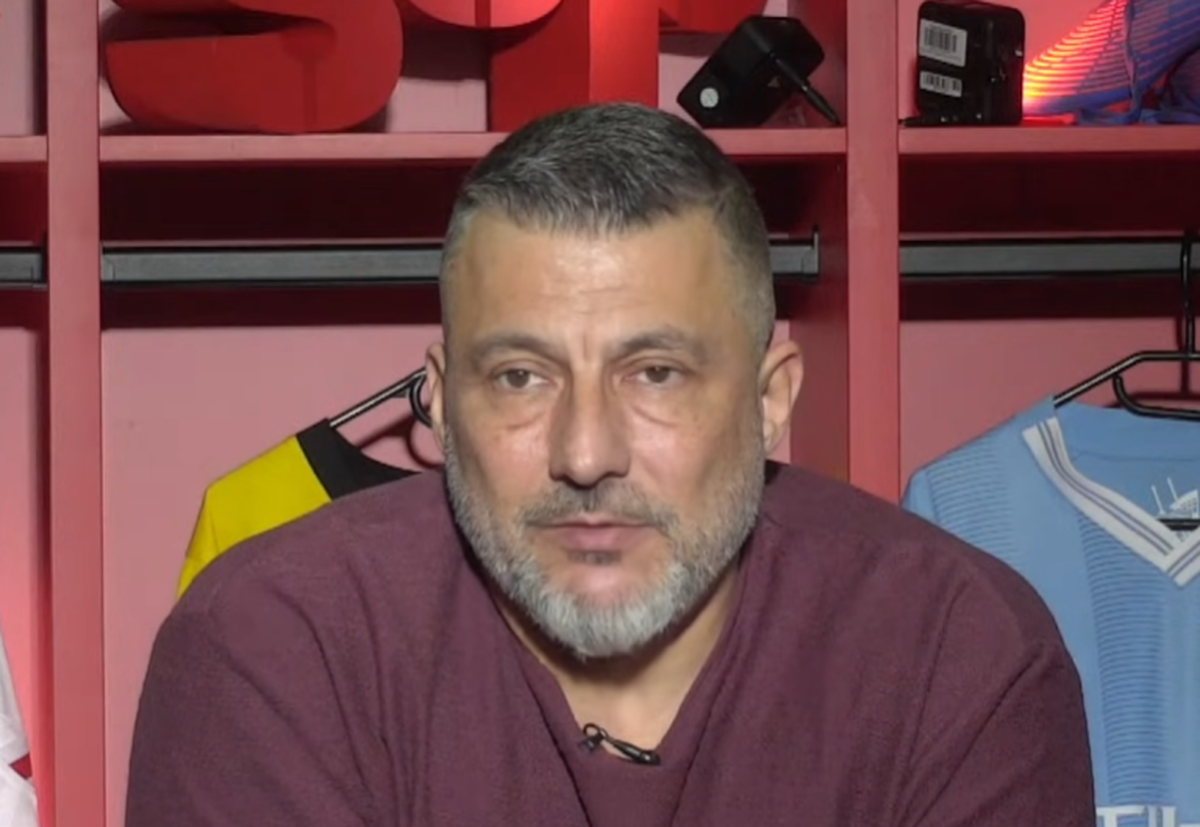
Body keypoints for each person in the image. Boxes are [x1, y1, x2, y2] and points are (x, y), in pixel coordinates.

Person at [124, 102, 1095, 826]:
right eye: (520, 376)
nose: (586, 453)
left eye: (655, 373)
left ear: (770, 400)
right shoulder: (273, 644)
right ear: (442, 402)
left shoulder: (956, 652)